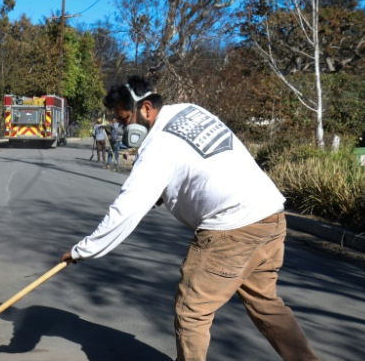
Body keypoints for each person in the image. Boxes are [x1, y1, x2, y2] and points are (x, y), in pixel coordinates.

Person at [60, 75, 320, 361]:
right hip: (269, 214)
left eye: (123, 120)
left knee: (191, 310)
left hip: (231, 228)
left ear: (145, 109)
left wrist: (83, 250)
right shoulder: (191, 111)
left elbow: (126, 208)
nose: (122, 128)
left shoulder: (157, 147)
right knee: (266, 305)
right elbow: (204, 163)